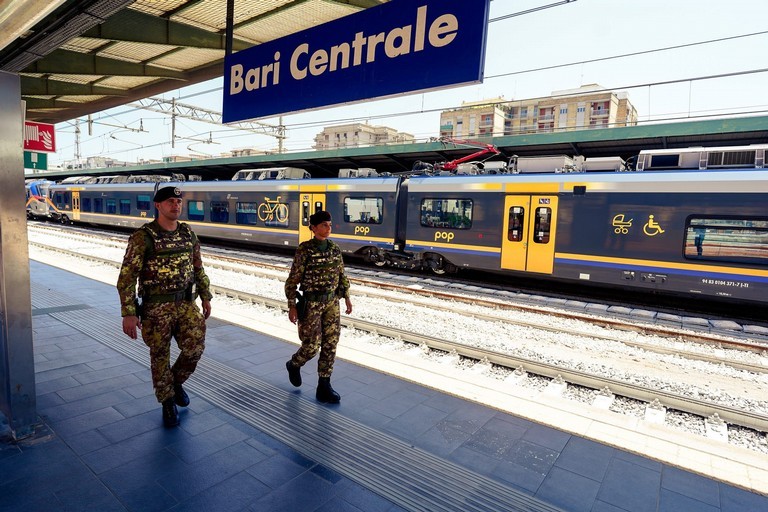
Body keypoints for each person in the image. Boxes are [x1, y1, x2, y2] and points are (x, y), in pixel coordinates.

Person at [117, 186, 213, 427]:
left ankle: (175, 382)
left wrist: (206, 295)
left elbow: (198, 267)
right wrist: (128, 313)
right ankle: (167, 401)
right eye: (170, 201)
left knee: (195, 349)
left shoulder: (187, 233)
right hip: (155, 308)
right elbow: (126, 279)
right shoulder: (143, 237)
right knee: (159, 356)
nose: (176, 205)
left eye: (179, 201)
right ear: (157, 205)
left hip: (186, 304)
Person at [285, 210, 353, 403]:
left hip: (332, 302)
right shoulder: (304, 250)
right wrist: (292, 306)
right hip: (311, 304)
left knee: (331, 344)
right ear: (313, 228)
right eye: (324, 225)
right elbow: (292, 281)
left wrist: (346, 297)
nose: (328, 228)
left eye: (330, 225)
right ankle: (294, 364)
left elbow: (341, 276)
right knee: (312, 346)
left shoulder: (334, 249)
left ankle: (324, 385)